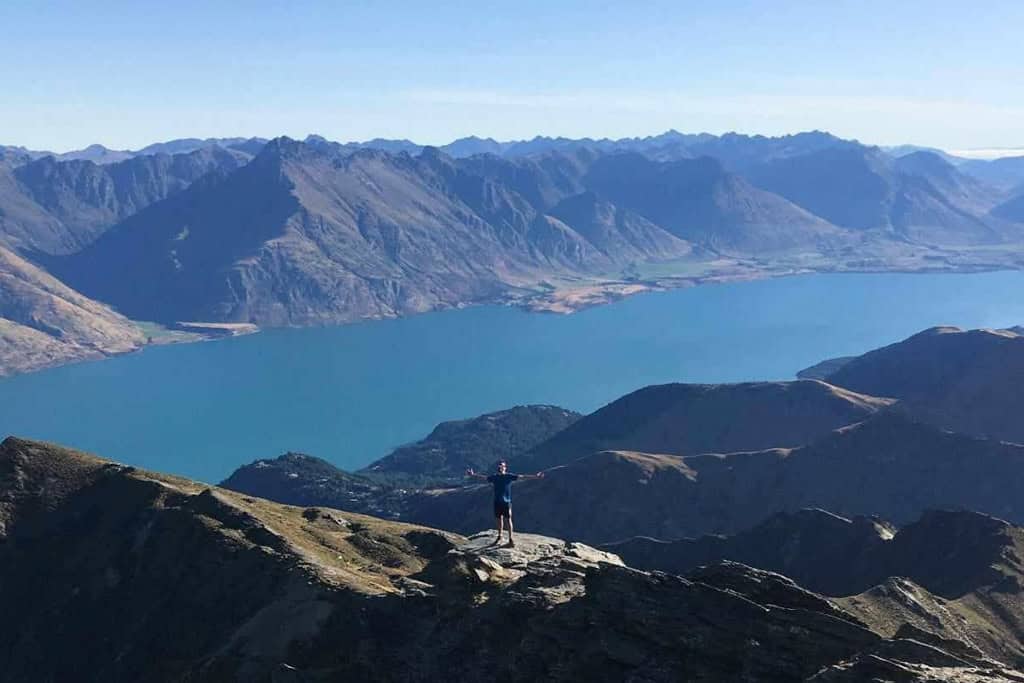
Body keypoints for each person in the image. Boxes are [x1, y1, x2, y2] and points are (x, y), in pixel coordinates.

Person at [465, 460, 544, 547]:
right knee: (499, 519)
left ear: (505, 468)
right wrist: (473, 475)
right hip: (497, 502)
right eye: (500, 466)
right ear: (498, 468)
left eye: (502, 466)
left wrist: (535, 477)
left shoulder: (508, 476)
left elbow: (522, 477)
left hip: (506, 502)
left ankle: (510, 538)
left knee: (508, 519)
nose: (501, 467)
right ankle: (500, 535)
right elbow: (484, 478)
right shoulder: (495, 477)